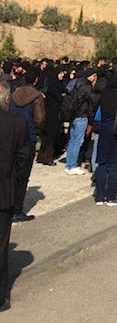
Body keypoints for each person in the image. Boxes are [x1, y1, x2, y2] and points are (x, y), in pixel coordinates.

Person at [0, 79, 31, 313]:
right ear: (7, 99)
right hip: (3, 194)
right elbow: (23, 161)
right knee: (1, 247)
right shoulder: (17, 125)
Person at [10, 68, 45, 221]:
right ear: (36, 80)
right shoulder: (37, 97)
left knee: (10, 172)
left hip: (12, 134)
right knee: (23, 175)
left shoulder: (14, 93)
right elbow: (40, 119)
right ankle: (17, 210)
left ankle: (8, 205)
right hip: (28, 136)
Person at [93, 70, 117, 207]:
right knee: (114, 164)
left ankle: (100, 196)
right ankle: (111, 196)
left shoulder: (104, 93)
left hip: (104, 128)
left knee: (103, 163)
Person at [65, 67, 99, 175]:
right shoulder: (87, 88)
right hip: (82, 116)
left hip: (73, 115)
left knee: (72, 141)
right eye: (94, 76)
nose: (95, 78)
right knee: (78, 142)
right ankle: (73, 165)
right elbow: (91, 103)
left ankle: (69, 164)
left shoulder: (76, 84)